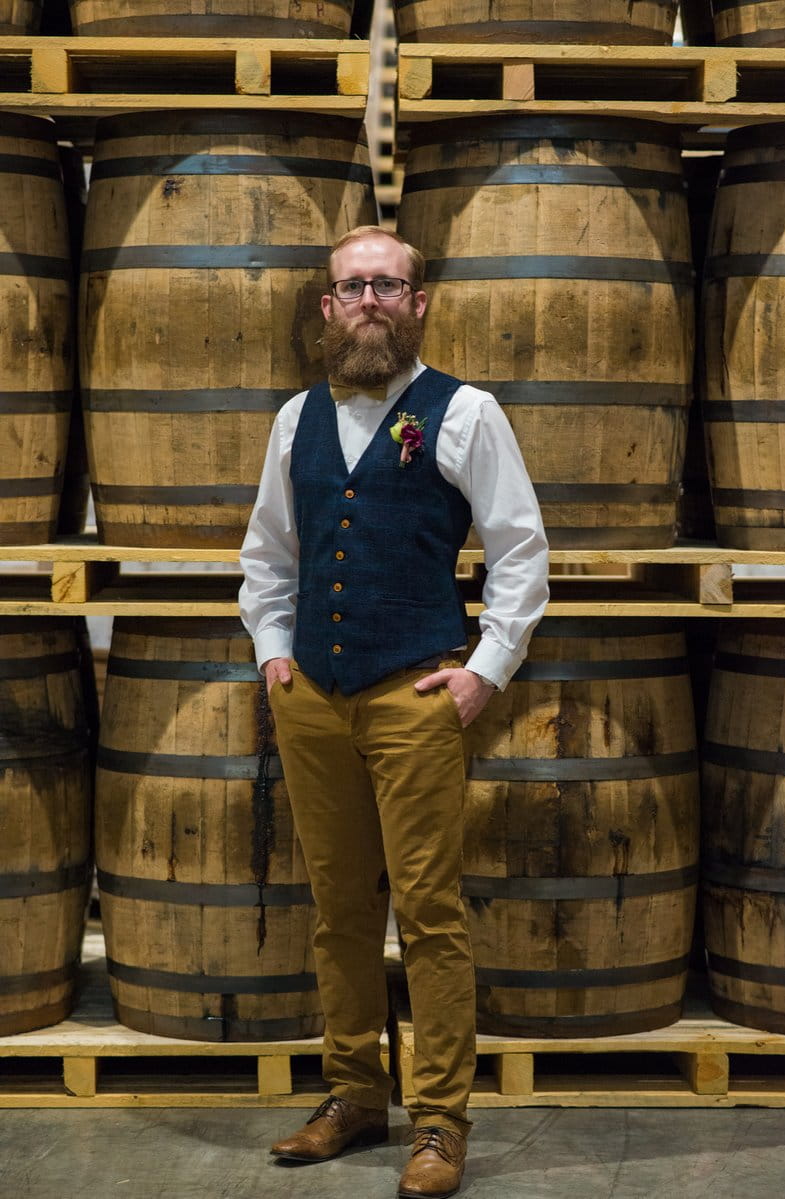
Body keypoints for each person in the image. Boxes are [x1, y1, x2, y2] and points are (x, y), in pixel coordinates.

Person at [239, 225, 549, 1199]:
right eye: (351, 285)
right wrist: (273, 649)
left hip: (415, 694)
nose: (368, 299)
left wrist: (483, 670)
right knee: (337, 913)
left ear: (418, 303)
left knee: (428, 911)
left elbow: (519, 550)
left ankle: (441, 1120)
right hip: (312, 701)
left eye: (387, 284)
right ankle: (352, 1094)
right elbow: (266, 554)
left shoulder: (463, 414)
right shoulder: (294, 418)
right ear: (326, 307)